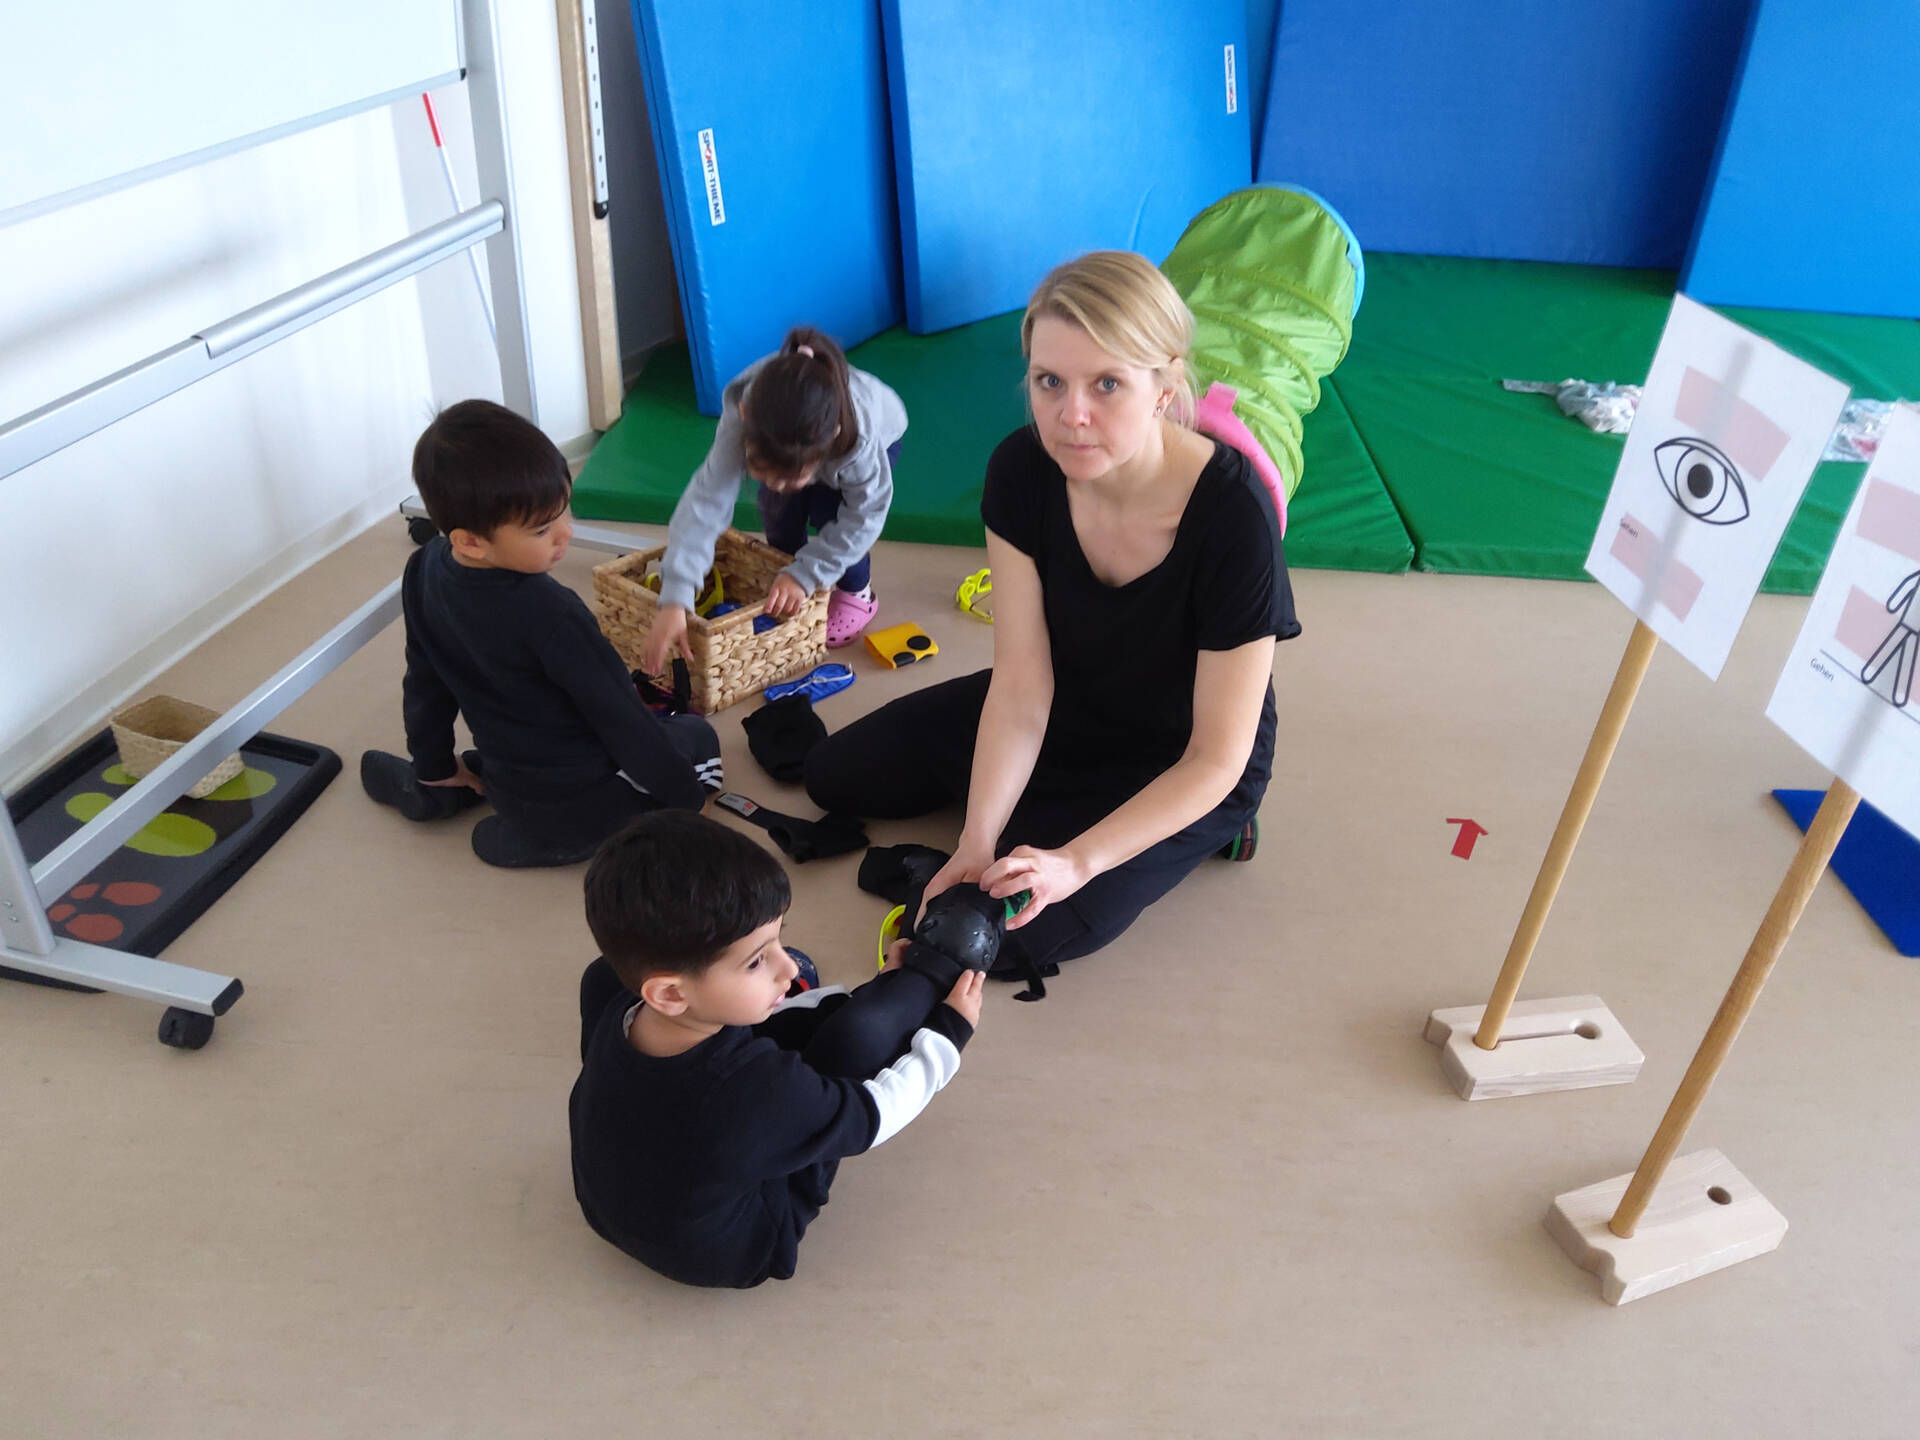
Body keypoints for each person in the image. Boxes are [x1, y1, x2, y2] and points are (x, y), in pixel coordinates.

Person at [805, 251, 1299, 985]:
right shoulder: (1021, 471)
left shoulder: (1232, 516)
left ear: (1164, 386)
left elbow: (1216, 757)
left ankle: (1195, 834)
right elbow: (1023, 683)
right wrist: (977, 840)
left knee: (1009, 942)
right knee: (833, 778)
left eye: (1107, 384)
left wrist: (1076, 862)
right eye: (1049, 381)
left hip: (1179, 752)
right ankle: (1039, 816)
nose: (1071, 416)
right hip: (1066, 704)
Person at [569, 811, 986, 1289]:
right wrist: (948, 1035)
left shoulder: (609, 989)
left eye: (778, 941)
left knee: (800, 1017)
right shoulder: (758, 1092)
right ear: (668, 993)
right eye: (756, 961)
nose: (787, 968)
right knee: (858, 1038)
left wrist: (786, 986)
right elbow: (875, 1115)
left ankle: (803, 993)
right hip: (738, 1250)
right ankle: (918, 983)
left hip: (610, 1211)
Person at [360, 400, 723, 868]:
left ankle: (435, 787)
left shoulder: (422, 569)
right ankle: (565, 838)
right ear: (470, 540)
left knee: (508, 749)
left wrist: (434, 763)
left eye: (563, 514)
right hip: (581, 801)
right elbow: (623, 720)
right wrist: (689, 804)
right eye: (542, 530)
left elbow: (425, 682)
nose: (566, 535)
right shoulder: (553, 614)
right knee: (694, 735)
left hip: (513, 777)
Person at [640, 326, 907, 671]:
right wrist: (676, 597)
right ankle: (795, 580)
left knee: (831, 514)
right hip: (796, 436)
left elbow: (865, 515)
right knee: (777, 510)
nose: (780, 484)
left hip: (881, 436)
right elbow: (705, 502)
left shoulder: (857, 442)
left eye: (794, 477)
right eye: (765, 472)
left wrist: (809, 571)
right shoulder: (744, 415)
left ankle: (858, 593)